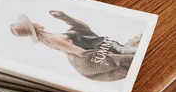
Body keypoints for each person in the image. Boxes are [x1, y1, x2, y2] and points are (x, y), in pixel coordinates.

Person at [9, 11, 141, 82]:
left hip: (103, 43)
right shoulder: (52, 39)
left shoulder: (50, 37)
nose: (36, 22)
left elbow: (82, 29)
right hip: (103, 46)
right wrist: (103, 56)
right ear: (34, 27)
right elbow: (78, 51)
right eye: (32, 23)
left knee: (130, 50)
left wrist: (63, 17)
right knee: (133, 52)